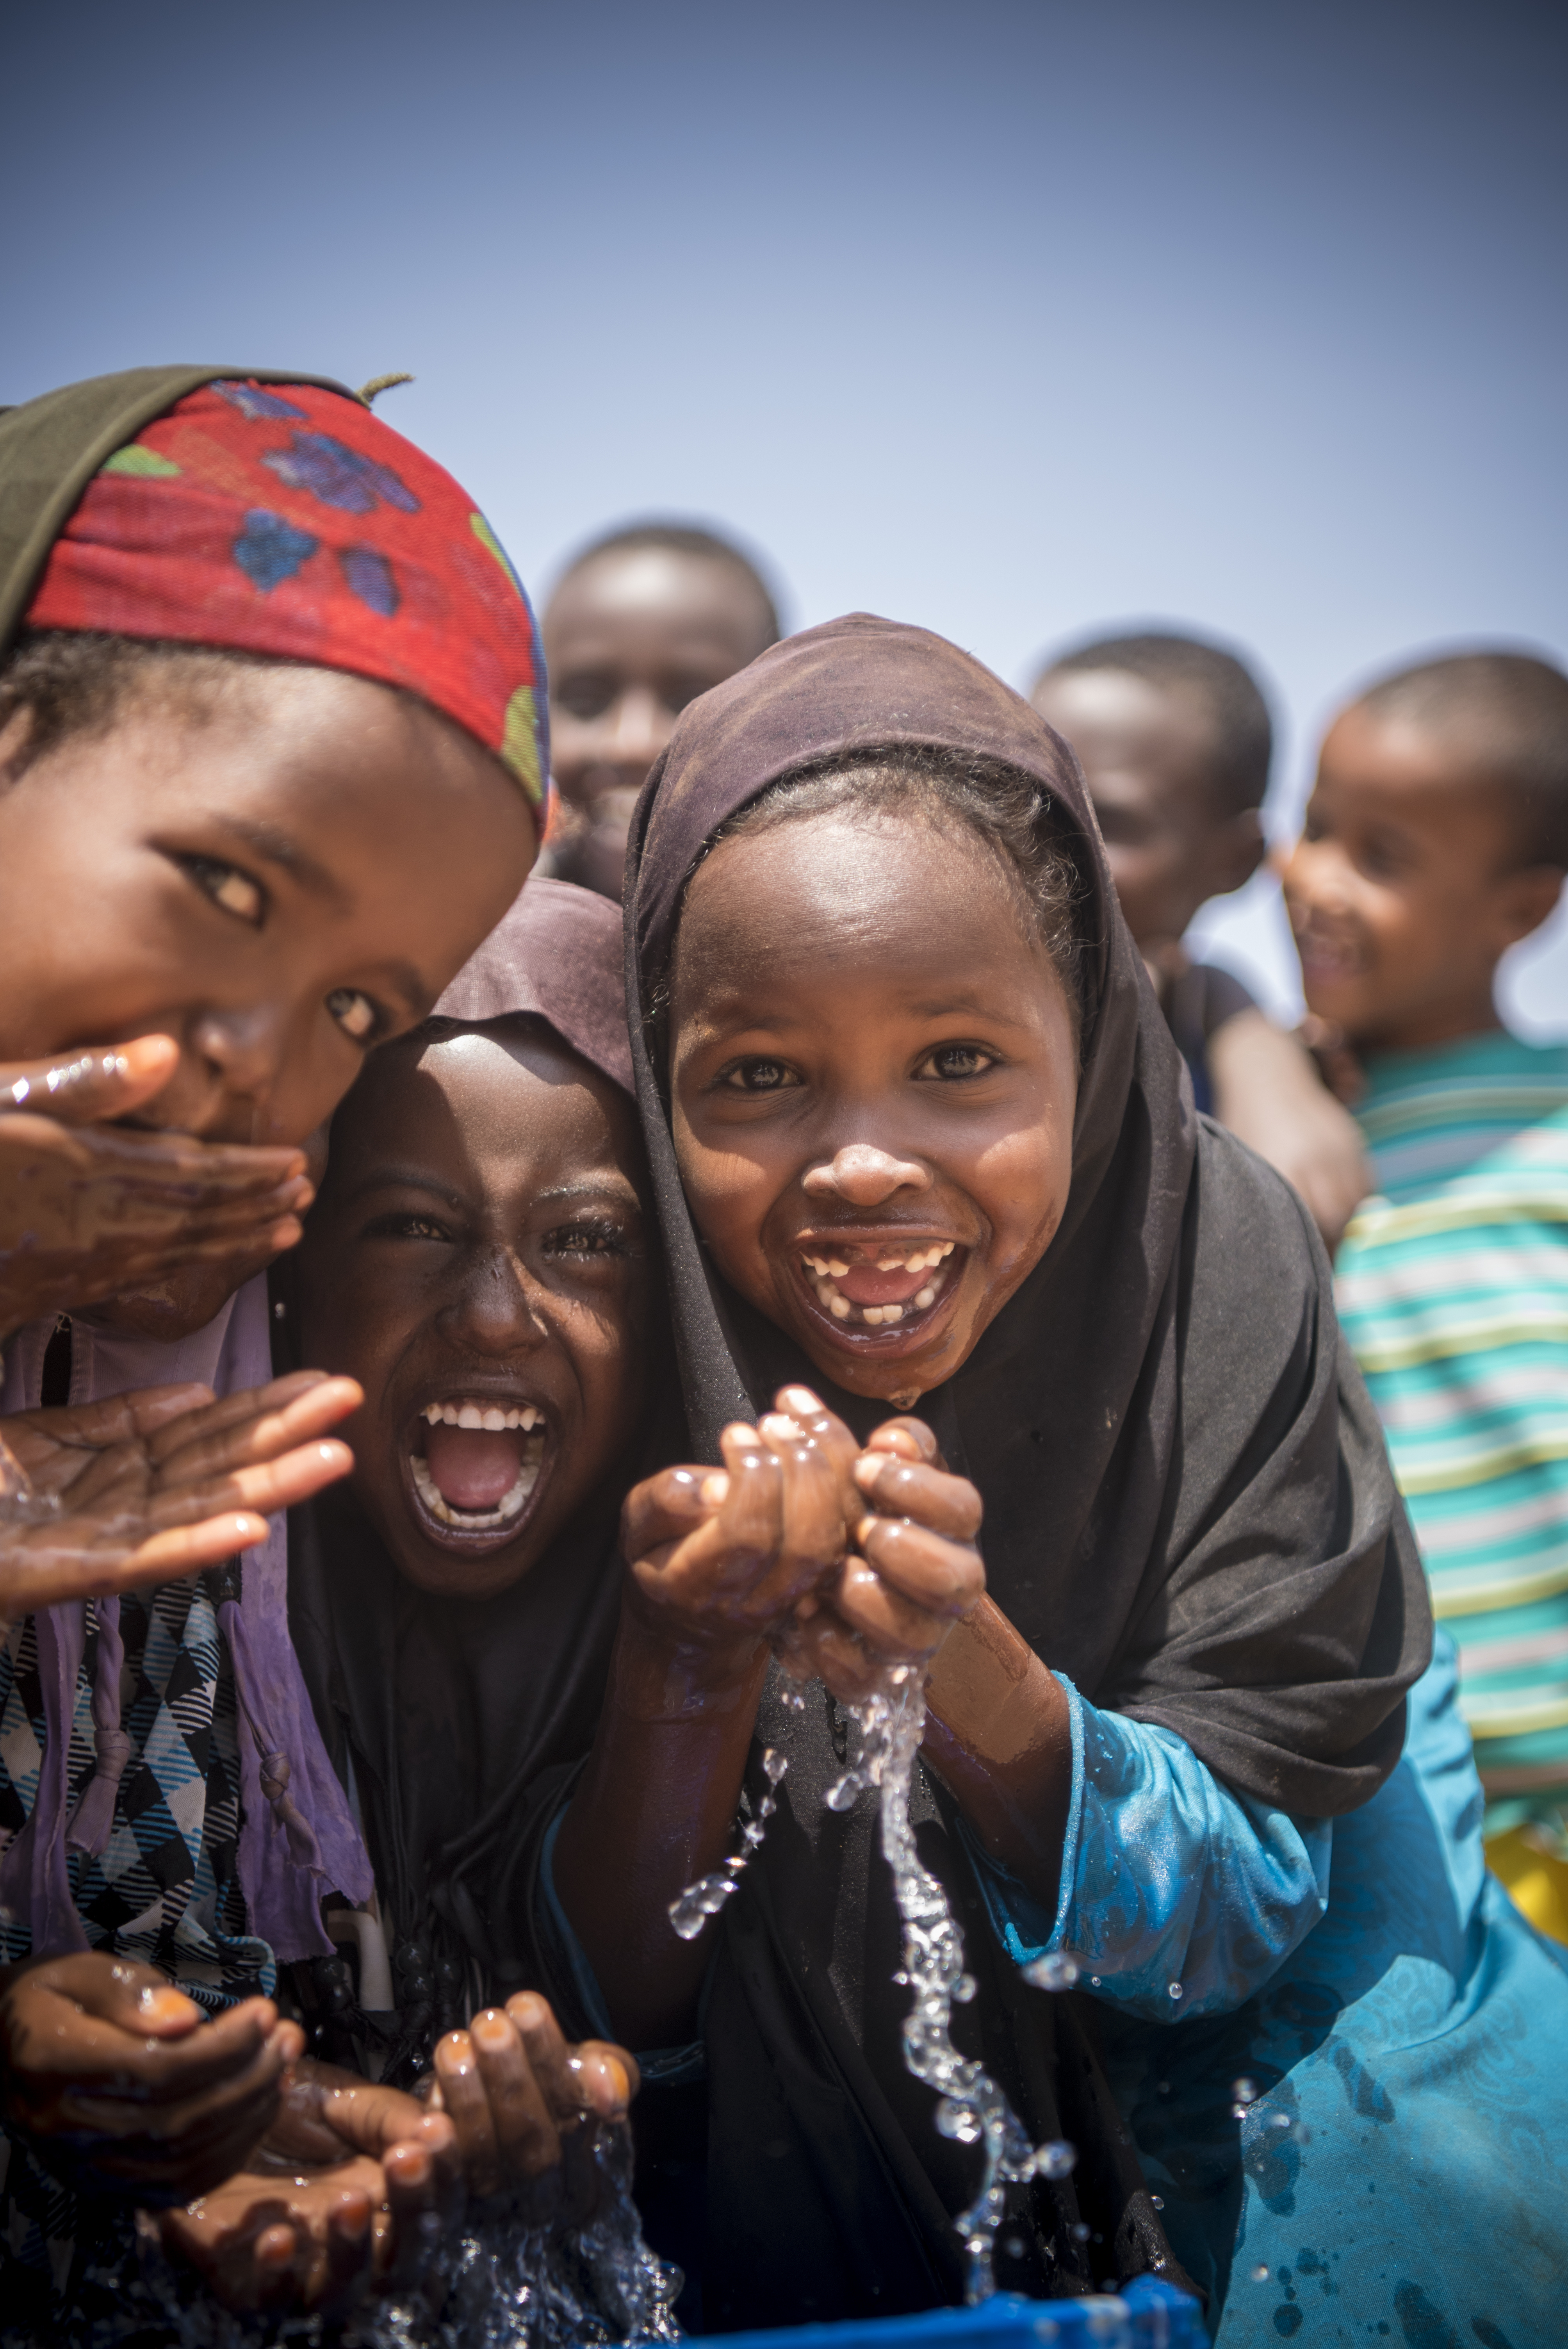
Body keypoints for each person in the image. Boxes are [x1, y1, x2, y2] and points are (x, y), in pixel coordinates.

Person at [537, 612, 1568, 2347]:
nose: (863, 1157)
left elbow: (1261, 1912)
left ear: (1088, 1055)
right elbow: (586, 2007)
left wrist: (970, 1672)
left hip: (1329, 2216)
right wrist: (687, 1665)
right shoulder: (589, 1345)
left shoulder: (1217, 1293)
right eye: (756, 1076)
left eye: (956, 1062)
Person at [0, 362, 548, 2336]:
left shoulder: (198, 1356)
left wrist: (192, 2117)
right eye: (224, 888)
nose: (257, 1068)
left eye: (354, 1012)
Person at [1285, 649, 1568, 1939]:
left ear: (1520, 908)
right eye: (1312, 825)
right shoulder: (1281, 1125)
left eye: (1379, 856)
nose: (1313, 879)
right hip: (1410, 1799)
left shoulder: (1549, 1119)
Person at [1032, 631, 1369, 1244]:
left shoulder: (1210, 1046)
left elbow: (1296, 1191)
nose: (1043, 847)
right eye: (1025, 801)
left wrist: (1251, 1041)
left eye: (1110, 821)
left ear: (1234, 861)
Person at [539, 521, 780, 900]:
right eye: (586, 701)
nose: (630, 744)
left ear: (777, 712)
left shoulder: (825, 938)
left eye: (690, 700)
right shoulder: (479, 929)